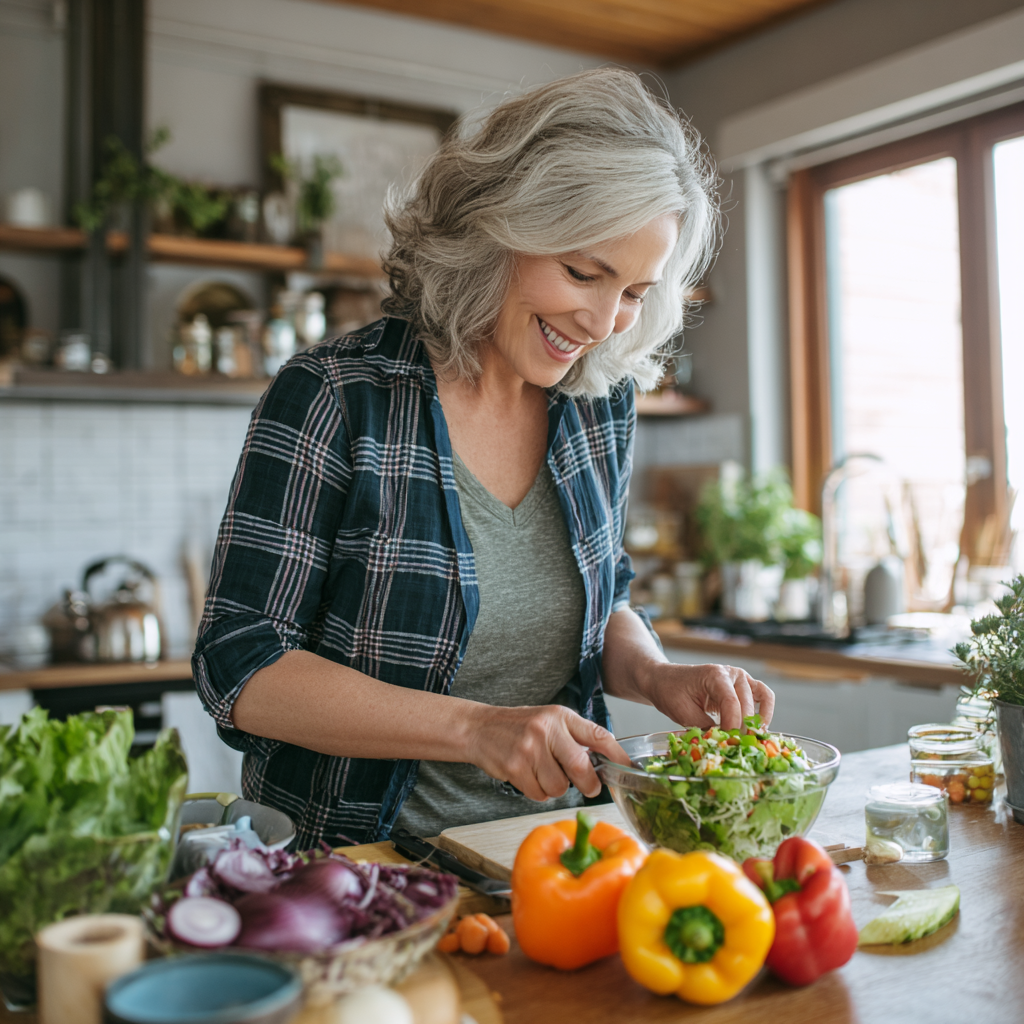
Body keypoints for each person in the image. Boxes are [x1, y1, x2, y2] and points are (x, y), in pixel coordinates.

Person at [193, 69, 775, 848]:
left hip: (565, 859)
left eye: (635, 290)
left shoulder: (599, 405)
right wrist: (476, 729)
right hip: (360, 868)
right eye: (582, 272)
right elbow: (241, 661)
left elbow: (604, 606)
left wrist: (655, 675)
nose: (604, 323)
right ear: (497, 230)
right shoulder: (337, 394)